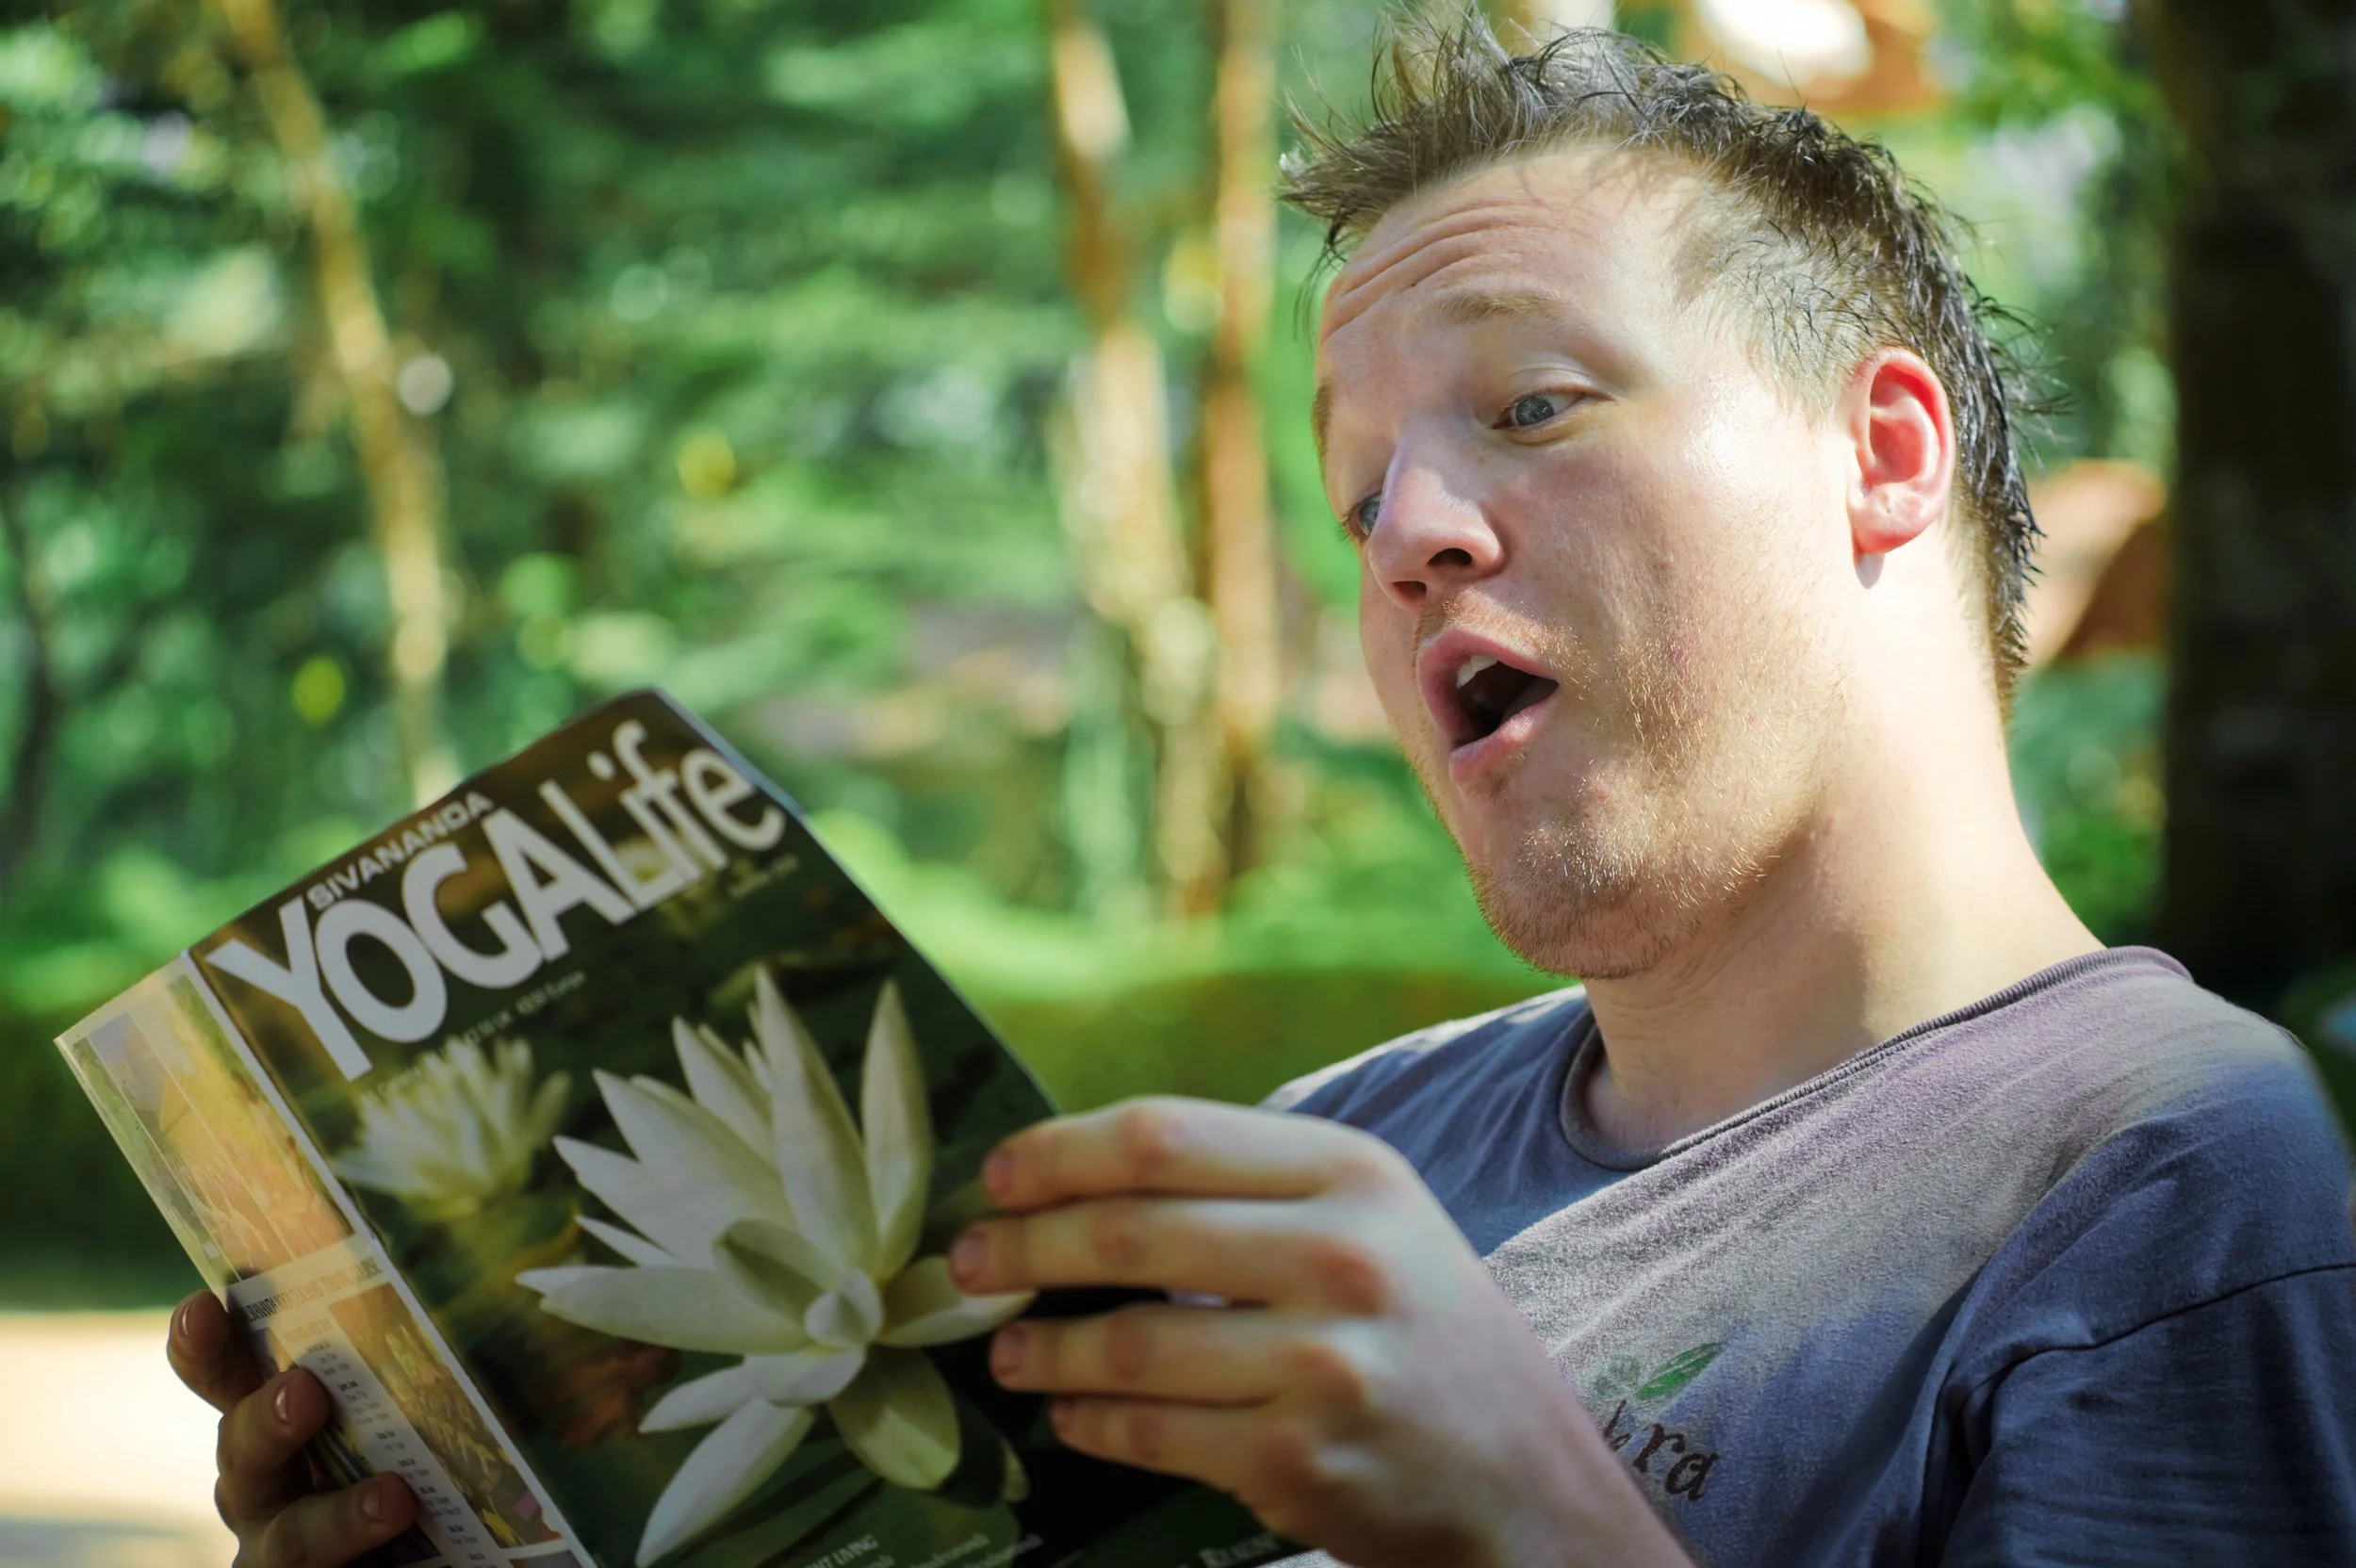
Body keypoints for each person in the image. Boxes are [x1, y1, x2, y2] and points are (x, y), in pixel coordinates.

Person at [169, 17, 2356, 1568]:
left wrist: (1529, 1527)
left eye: (1529, 403)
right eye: (1353, 489)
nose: (1406, 526)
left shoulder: (2166, 1174)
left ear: (1879, 455)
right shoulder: (1334, 1156)